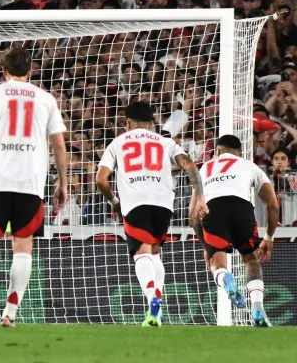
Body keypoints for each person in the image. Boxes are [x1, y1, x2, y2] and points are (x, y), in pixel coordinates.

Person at [0, 46, 68, 328]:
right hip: (32, 182)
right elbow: (59, 143)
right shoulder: (46, 99)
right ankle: (10, 313)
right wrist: (63, 181)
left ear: (3, 70)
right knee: (23, 245)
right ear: (30, 70)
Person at [96, 102, 208, 327]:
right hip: (163, 204)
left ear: (127, 123)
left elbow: (100, 179)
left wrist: (114, 202)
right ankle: (157, 306)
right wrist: (201, 197)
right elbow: (190, 166)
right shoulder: (166, 142)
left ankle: (152, 302)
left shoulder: (117, 143)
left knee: (142, 253)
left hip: (135, 202)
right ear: (152, 122)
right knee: (155, 252)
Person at [191, 134, 278, 327]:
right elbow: (272, 204)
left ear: (218, 151)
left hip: (213, 210)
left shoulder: (204, 168)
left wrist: (206, 247)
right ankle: (257, 308)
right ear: (240, 153)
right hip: (241, 208)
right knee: (250, 259)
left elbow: (193, 214)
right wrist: (269, 237)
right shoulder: (249, 165)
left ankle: (226, 278)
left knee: (218, 262)